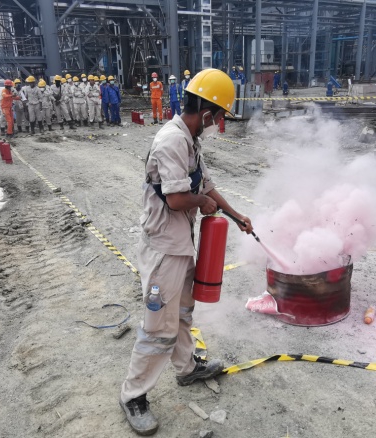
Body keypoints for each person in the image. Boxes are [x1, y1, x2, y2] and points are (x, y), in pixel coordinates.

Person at [119, 68, 253, 436]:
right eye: (220, 117)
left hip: (179, 245)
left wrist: (236, 215)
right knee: (158, 326)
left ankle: (187, 368)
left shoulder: (190, 140)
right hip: (163, 249)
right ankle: (133, 395)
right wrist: (202, 204)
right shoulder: (171, 141)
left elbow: (205, 185)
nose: (219, 124)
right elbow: (178, 198)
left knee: (181, 313)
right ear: (207, 113)